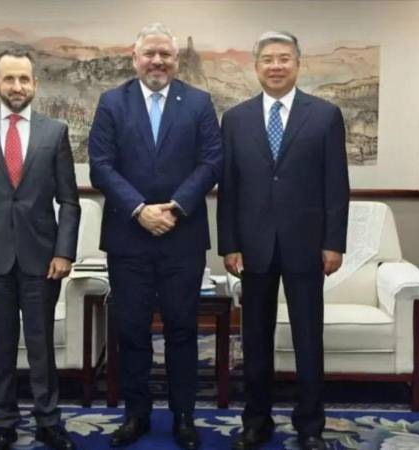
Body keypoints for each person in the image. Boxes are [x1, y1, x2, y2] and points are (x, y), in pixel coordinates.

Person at [88, 22, 222, 450]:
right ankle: (136, 414)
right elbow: (101, 166)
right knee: (132, 331)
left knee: (183, 330)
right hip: (129, 238)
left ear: (176, 60)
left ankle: (184, 416)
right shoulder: (112, 103)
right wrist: (140, 211)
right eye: (150, 54)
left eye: (165, 54)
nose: (158, 61)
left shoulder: (199, 103)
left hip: (183, 238)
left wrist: (175, 207)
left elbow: (211, 163)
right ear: (135, 58)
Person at [217, 31, 350, 450]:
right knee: (254, 339)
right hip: (253, 247)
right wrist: (229, 243)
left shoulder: (325, 115)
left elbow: (336, 186)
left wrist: (334, 242)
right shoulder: (235, 119)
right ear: (256, 67)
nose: (276, 66)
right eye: (268, 60)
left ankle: (310, 424)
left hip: (307, 246)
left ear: (298, 63)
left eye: (284, 58)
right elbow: (230, 187)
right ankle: (257, 420)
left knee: (308, 338)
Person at [0, 49, 80, 450]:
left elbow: (69, 202)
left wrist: (65, 252)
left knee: (41, 345)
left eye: (24, 79)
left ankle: (48, 420)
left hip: (42, 258)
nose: (17, 87)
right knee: (0, 344)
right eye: (10, 79)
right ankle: (4, 420)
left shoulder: (54, 131)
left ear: (35, 85)